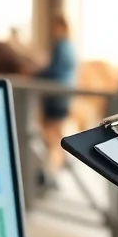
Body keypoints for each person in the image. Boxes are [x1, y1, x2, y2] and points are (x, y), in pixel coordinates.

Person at [37, 14, 78, 172]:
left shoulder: (61, 47)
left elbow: (53, 71)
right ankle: (62, 163)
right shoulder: (71, 46)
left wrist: (36, 74)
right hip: (65, 96)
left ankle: (52, 169)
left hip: (56, 96)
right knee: (58, 131)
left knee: (51, 133)